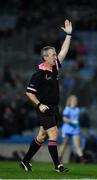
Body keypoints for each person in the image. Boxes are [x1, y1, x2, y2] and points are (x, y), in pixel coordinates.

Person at [19, 19, 72, 172]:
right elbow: (29, 92)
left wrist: (68, 34)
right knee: (54, 133)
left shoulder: (54, 68)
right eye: (53, 55)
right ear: (45, 58)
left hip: (54, 107)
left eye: (55, 54)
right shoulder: (38, 74)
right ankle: (58, 166)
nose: (56, 56)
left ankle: (25, 161)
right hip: (45, 108)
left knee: (42, 136)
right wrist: (39, 105)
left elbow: (64, 51)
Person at [59, 95, 87, 163]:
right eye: (74, 100)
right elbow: (64, 119)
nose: (75, 102)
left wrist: (77, 125)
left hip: (75, 130)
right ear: (70, 101)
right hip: (67, 129)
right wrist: (72, 121)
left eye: (76, 100)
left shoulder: (77, 110)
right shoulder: (67, 109)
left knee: (77, 145)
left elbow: (77, 121)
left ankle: (82, 159)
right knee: (64, 144)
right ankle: (60, 158)